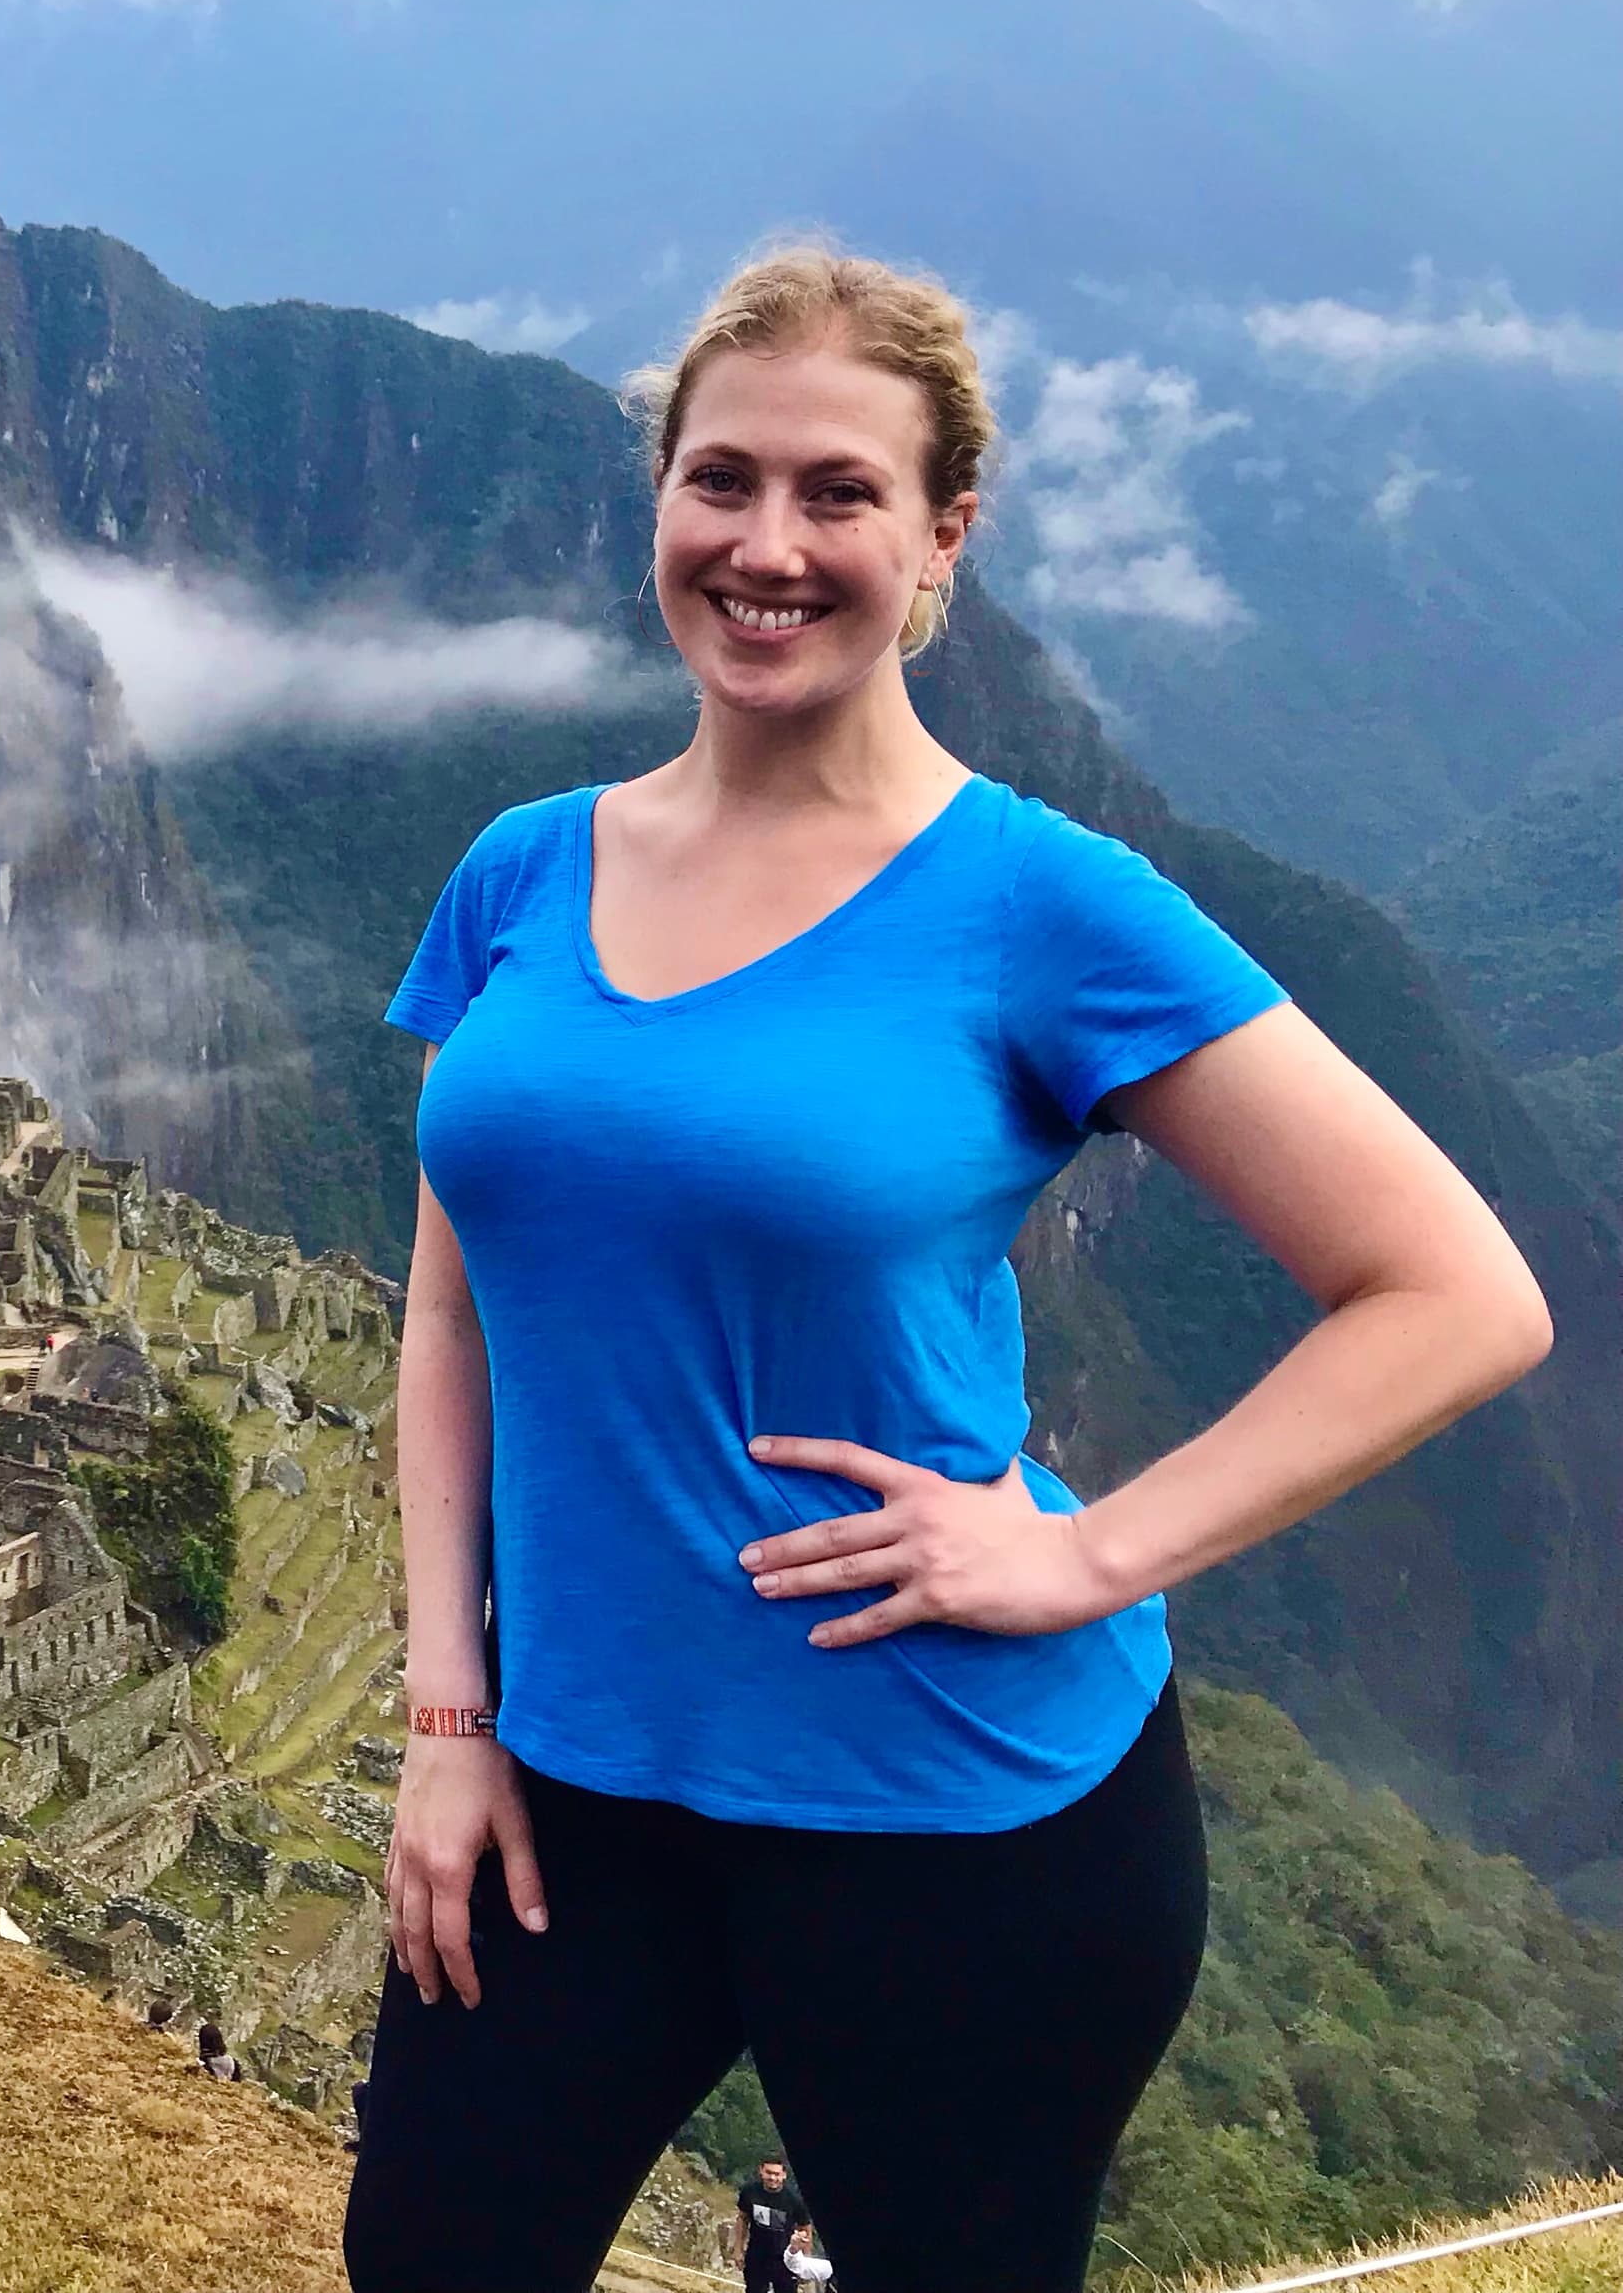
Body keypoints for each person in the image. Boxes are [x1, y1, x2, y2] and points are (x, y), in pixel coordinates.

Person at [342, 250, 1553, 2293]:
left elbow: (1456, 1290)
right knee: (434, 2258)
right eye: (721, 481)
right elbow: (456, 1308)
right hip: (572, 1781)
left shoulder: (1044, 904)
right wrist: (450, 1716)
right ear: (657, 498)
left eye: (840, 494)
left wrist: (1088, 1557)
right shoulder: (522, 872)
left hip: (947, 1805)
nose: (770, 545)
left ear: (939, 538)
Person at [735, 2159, 805, 2293]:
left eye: (777, 2174)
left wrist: (804, 2261)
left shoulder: (794, 2200)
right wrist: (738, 2249)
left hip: (785, 2259)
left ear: (784, 2175)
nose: (773, 2178)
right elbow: (742, 2219)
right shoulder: (749, 2192)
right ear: (761, 2171)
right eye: (769, 2173)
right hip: (756, 2255)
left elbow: (805, 2228)